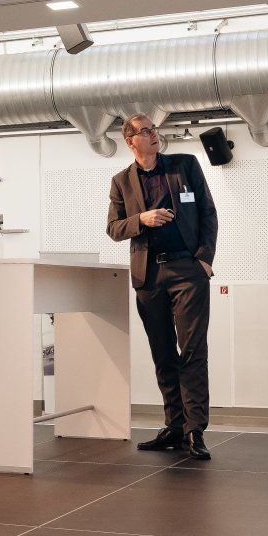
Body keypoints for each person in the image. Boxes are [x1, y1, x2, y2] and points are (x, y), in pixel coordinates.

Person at [108, 113, 218, 460]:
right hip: (149, 276)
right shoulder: (121, 181)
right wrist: (141, 219)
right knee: (163, 352)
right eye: (145, 131)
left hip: (188, 270)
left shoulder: (185, 165)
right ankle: (175, 426)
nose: (153, 134)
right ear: (130, 141)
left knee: (193, 350)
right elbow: (113, 228)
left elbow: (208, 213)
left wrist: (204, 259)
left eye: (154, 129)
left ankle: (195, 429)